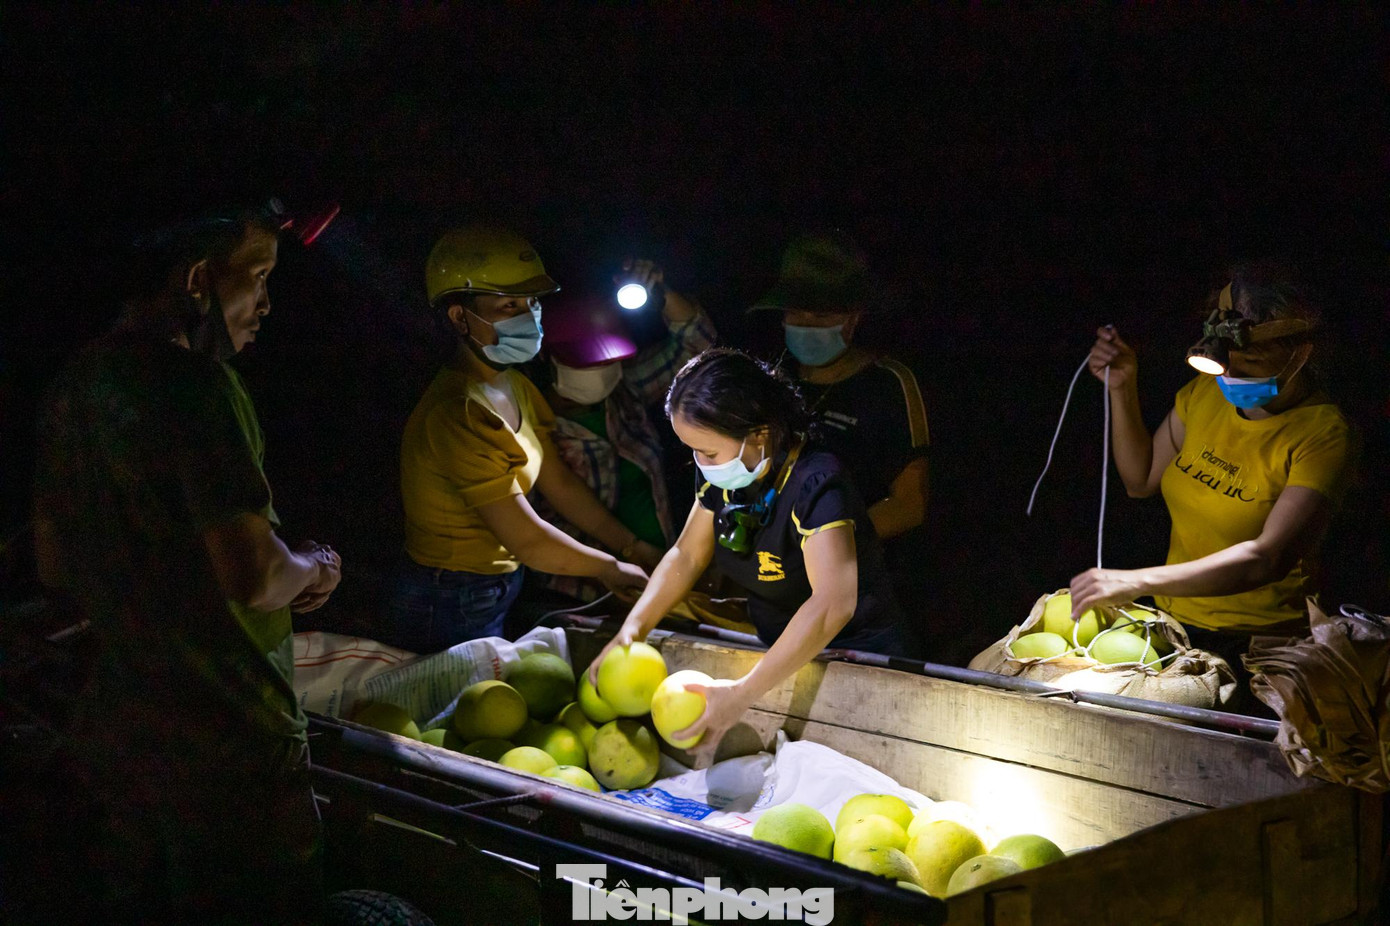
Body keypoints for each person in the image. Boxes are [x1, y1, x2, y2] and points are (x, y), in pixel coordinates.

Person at [29, 205, 343, 923]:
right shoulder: (198, 388)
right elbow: (257, 576)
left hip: (123, 734)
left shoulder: (75, 387)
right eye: (257, 278)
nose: (265, 304)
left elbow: (54, 564)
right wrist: (317, 567)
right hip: (231, 743)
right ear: (199, 280)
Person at [588, 348, 909, 761]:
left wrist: (742, 693)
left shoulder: (818, 484)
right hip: (780, 655)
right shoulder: (729, 479)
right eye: (692, 450)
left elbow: (833, 605)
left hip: (859, 657)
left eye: (708, 452)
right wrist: (631, 630)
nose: (700, 464)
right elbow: (686, 555)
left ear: (758, 435)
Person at [1070, 264, 1354, 681]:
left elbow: (1267, 557)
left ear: (1301, 353)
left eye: (1251, 361)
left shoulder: (1324, 435)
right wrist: (1121, 387)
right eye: (1226, 361)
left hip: (1264, 648)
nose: (1231, 375)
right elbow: (1141, 478)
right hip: (1176, 627)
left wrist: (1135, 581)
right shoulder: (1205, 393)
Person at [384, 227, 648, 653]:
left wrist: (631, 546)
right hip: (448, 593)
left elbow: (558, 482)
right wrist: (611, 568)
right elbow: (527, 539)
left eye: (532, 302)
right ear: (458, 316)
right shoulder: (456, 412)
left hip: (499, 582)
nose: (528, 315)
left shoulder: (515, 386)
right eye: (509, 304)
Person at [749, 231, 932, 645]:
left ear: (853, 319)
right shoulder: (772, 381)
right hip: (776, 589)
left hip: (862, 598)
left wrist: (820, 547)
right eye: (798, 314)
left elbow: (910, 504)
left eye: (822, 317)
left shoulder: (888, 383)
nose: (807, 326)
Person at [524, 259, 718, 601]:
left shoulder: (625, 394)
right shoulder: (529, 421)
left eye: (610, 361)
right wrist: (631, 551)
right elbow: (558, 499)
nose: (602, 371)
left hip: (660, 576)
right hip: (578, 593)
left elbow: (698, 347)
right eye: (587, 363)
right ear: (547, 358)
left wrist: (662, 292)